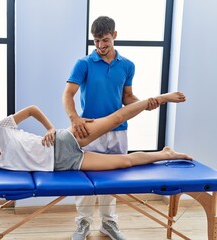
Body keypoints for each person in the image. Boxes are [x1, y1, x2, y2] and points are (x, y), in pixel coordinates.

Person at [0, 92, 191, 193]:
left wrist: (50, 128)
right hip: (66, 164)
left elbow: (33, 109)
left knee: (115, 118)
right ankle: (165, 153)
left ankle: (160, 99)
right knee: (125, 161)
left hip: (64, 140)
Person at [62, 16, 160, 240]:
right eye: (96, 41)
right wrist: (74, 118)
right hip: (90, 131)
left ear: (114, 36)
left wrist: (146, 104)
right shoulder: (84, 64)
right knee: (85, 179)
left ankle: (108, 223)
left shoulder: (127, 66)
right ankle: (83, 224)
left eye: (104, 40)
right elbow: (68, 94)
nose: (100, 46)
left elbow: (127, 98)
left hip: (118, 132)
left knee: (114, 179)